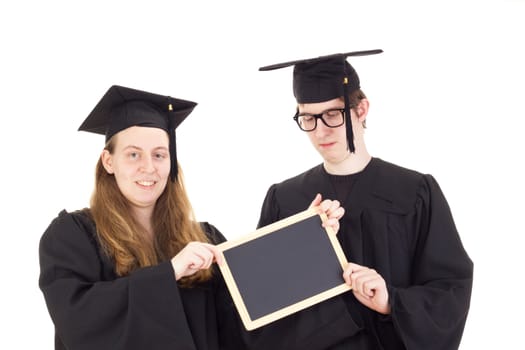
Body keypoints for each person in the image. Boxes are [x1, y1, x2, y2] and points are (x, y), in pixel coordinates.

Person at [38, 85, 353, 350]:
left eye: (160, 155)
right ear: (109, 161)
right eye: (133, 154)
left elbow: (248, 324)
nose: (148, 167)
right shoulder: (73, 235)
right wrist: (170, 272)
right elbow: (76, 321)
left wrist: (311, 239)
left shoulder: (204, 238)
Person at [257, 50, 474, 349]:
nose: (320, 131)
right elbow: (259, 300)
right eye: (308, 118)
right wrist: (300, 241)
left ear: (361, 109)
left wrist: (392, 302)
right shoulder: (286, 199)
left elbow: (451, 289)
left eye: (332, 114)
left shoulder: (414, 191)